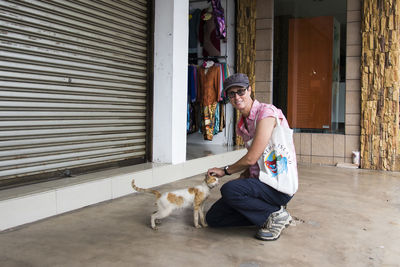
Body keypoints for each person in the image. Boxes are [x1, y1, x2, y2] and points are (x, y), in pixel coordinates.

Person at [206, 73, 296, 241]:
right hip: (260, 182)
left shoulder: (266, 113)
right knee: (214, 218)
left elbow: (251, 158)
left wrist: (225, 171)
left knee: (229, 190)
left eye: (240, 91)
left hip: (278, 185)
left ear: (249, 90)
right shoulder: (243, 123)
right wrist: (242, 179)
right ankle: (267, 212)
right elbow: (254, 162)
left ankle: (275, 214)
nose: (236, 97)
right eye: (231, 94)